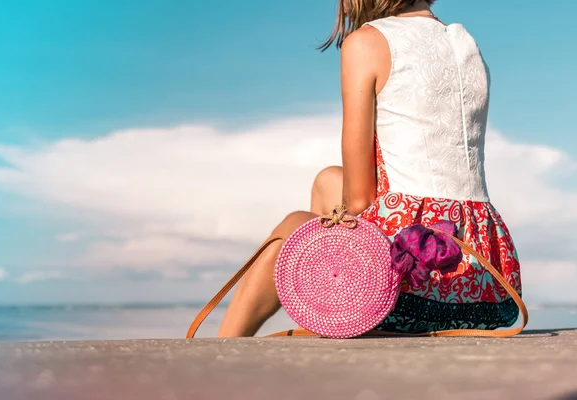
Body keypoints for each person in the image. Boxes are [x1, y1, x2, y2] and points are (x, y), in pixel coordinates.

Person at [217, 0, 521, 337]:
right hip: (488, 278)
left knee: (293, 227)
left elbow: (359, 200)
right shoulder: (465, 44)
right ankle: (328, 311)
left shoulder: (367, 42)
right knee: (328, 180)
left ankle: (221, 348)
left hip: (416, 281)